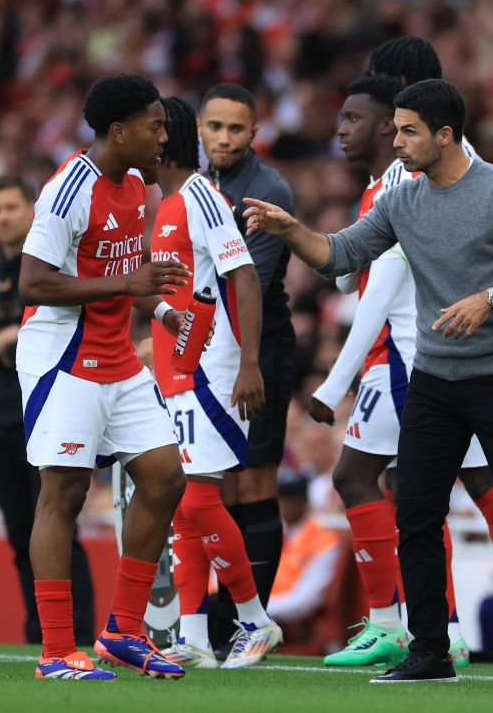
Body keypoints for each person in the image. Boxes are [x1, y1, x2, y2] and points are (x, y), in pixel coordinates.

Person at [242, 78, 493, 684]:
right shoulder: (402, 200)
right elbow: (341, 255)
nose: (394, 141)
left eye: (407, 131)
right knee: (416, 515)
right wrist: (289, 228)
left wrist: (490, 298)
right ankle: (429, 649)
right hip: (434, 380)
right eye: (394, 129)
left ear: (444, 135)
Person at [310, 73, 493, 668]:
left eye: (359, 118)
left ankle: (420, 624)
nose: (347, 129)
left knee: (419, 488)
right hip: (428, 356)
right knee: (446, 488)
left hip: (420, 359)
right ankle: (484, 626)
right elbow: (344, 270)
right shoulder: (434, 174)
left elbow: (374, 285)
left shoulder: (404, 182)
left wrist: (336, 379)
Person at [18, 72, 190, 681]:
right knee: (63, 493)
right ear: (118, 130)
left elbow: (124, 268)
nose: (163, 135)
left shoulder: (137, 182)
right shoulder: (68, 189)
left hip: (116, 353)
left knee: (166, 475)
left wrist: (162, 306)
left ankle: (122, 630)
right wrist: (129, 284)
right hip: (62, 356)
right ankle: (56, 652)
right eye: (154, 124)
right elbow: (32, 283)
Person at [146, 96, 283, 670]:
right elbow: (180, 290)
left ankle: (255, 621)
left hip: (213, 371)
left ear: (164, 138)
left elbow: (244, 274)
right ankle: (196, 636)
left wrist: (250, 361)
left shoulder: (201, 196)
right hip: (177, 369)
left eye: (152, 128)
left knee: (201, 499)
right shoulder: (169, 203)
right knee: (183, 504)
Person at [0, 175, 95, 647]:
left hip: (50, 409)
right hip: (1, 416)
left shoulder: (49, 267)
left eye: (11, 207)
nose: (3, 217)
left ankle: (77, 631)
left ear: (31, 210)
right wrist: (7, 338)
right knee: (19, 532)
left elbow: (31, 331)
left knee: (58, 522)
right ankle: (38, 633)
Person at [199, 83, 296, 634]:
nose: (225, 138)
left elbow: (249, 285)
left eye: (237, 128)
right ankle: (222, 615)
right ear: (199, 129)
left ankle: (247, 621)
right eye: (215, 126)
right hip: (201, 342)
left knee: (254, 481)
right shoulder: (189, 185)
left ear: (254, 133)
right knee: (217, 484)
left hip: (258, 347)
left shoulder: (268, 189)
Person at [266, 469, 344, 625]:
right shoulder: (274, 532)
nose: (287, 505)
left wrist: (259, 611)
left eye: (293, 498)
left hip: (289, 620)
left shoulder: (323, 538)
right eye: (283, 498)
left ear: (305, 500)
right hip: (270, 609)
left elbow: (307, 600)